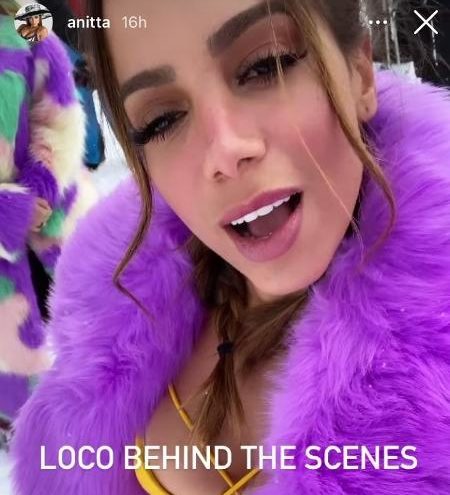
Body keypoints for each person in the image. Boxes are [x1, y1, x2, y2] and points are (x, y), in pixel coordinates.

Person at [11, 0, 450, 494]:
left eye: (265, 65)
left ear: (360, 75)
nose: (224, 150)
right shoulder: (114, 313)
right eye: (162, 120)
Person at [0, 10, 95, 445]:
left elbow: (60, 108)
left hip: (50, 218)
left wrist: (43, 183)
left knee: (84, 321)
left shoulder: (26, 14)